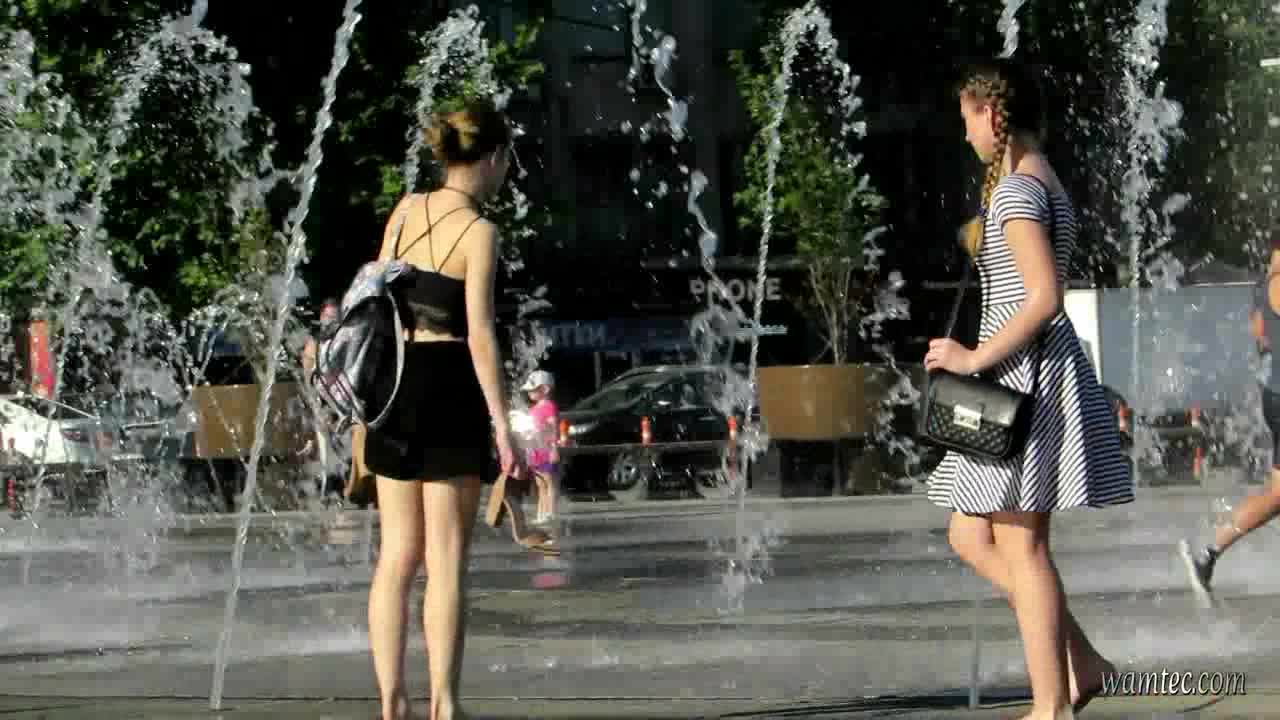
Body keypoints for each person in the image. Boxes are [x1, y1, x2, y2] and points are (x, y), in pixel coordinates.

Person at [924, 59, 1134, 719]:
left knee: (1023, 546)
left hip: (1022, 376)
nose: (965, 134)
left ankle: (1052, 708)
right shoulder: (1040, 178)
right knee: (969, 533)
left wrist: (971, 356)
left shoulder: (1017, 190)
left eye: (967, 119)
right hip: (1022, 373)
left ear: (991, 113)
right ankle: (1084, 663)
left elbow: (1043, 298)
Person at [361, 101, 547, 720]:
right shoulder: (479, 233)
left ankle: (392, 704)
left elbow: (379, 296)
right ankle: (445, 705)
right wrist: (503, 427)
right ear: (491, 158)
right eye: (507, 159)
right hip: (447, 389)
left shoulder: (405, 210)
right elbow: (481, 336)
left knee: (396, 556)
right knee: (445, 562)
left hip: (392, 387)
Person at [1179, 237, 1280, 607]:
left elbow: (1259, 336)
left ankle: (1207, 553)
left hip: (1275, 391)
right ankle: (1207, 552)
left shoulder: (1262, 287)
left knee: (1278, 493)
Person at [521, 369, 561, 523]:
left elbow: (553, 428)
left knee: (549, 482)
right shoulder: (534, 409)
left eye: (533, 389)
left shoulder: (549, 406)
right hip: (536, 450)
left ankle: (550, 512)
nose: (529, 392)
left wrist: (554, 448)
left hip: (545, 450)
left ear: (545, 389)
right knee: (540, 484)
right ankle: (541, 513)